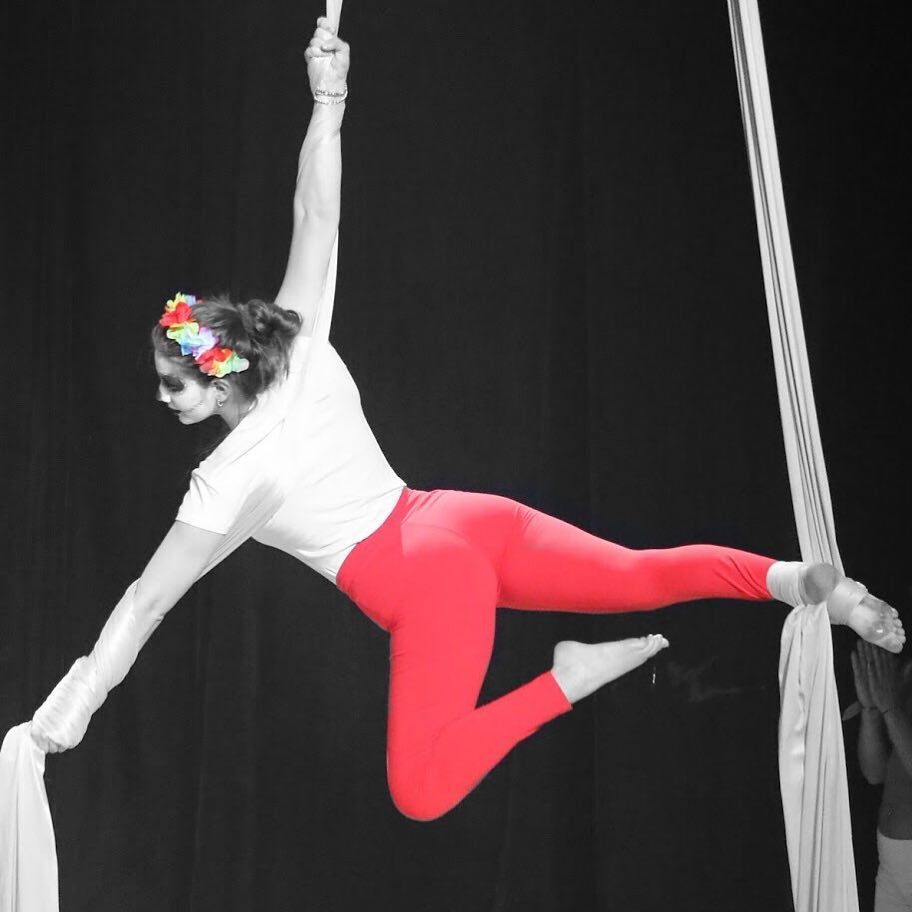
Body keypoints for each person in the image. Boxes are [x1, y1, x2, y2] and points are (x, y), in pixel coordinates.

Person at [23, 16, 906, 824]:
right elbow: (316, 214)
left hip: (425, 583)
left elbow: (145, 603)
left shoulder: (225, 480)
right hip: (462, 518)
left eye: (172, 385)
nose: (162, 399)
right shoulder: (295, 342)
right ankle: (810, 585)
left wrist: (75, 704)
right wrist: (329, 97)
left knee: (421, 792)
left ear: (217, 382)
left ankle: (566, 681)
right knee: (641, 573)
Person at [852, 641, 912, 911]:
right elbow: (874, 773)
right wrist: (872, 712)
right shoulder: (901, 677)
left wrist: (891, 710)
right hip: (890, 861)